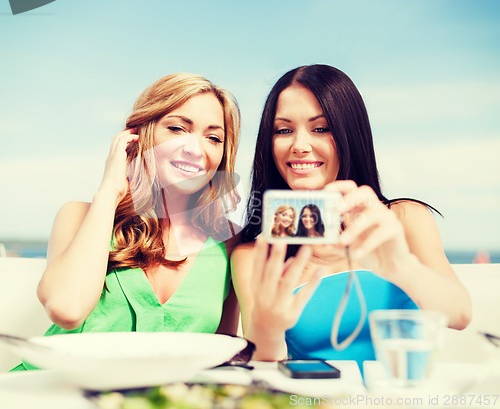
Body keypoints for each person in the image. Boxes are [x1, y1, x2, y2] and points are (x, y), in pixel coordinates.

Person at [231, 64, 472, 364]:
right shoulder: (253, 254)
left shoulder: (404, 219)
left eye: (321, 128)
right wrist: (268, 331)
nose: (299, 146)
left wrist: (399, 265)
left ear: (349, 134)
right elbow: (266, 369)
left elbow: (460, 314)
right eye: (283, 130)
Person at [12, 73, 241, 370]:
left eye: (213, 137)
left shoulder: (230, 241)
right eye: (176, 128)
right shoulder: (79, 216)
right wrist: (109, 192)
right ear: (139, 135)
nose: (195, 149)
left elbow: (220, 357)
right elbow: (66, 309)